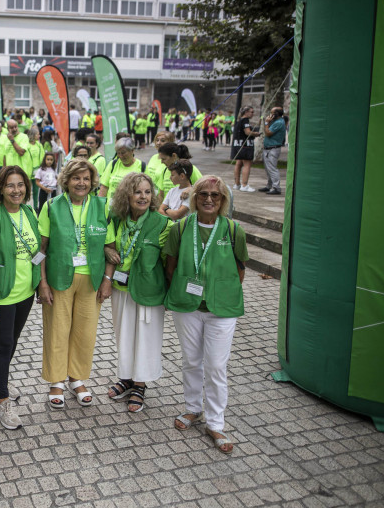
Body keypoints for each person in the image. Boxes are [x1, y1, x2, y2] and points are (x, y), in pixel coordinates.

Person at [164, 175, 249, 455]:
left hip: (221, 308)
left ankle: (215, 423)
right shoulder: (181, 227)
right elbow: (171, 265)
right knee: (191, 360)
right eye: (203, 194)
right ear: (194, 198)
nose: (209, 199)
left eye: (215, 195)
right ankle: (192, 409)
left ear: (223, 200)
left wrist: (220, 291)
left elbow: (240, 269)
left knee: (215, 367)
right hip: (187, 305)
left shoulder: (233, 230)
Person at [37, 160, 116, 409]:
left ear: (92, 182)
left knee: (85, 333)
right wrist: (42, 283)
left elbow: (112, 248)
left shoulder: (102, 207)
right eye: (75, 178)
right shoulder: (51, 206)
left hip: (91, 280)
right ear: (66, 181)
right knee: (57, 330)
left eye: (86, 178)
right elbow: (40, 250)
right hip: (59, 279)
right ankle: (56, 381)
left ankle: (77, 379)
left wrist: (107, 280)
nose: (81, 183)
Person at [0, 166, 40, 430]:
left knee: (11, 342)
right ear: (0, 189)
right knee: (2, 345)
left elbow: (38, 252)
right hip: (2, 295)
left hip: (25, 292)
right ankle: (2, 402)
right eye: (11, 185)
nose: (17, 190)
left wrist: (40, 284)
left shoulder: (29, 212)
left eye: (21, 185)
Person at [106, 172, 173, 413]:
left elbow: (169, 262)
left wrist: (170, 295)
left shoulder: (163, 223)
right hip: (121, 288)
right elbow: (106, 242)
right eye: (137, 192)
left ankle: (140, 384)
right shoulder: (117, 218)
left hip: (149, 291)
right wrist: (106, 250)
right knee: (123, 335)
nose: (143, 197)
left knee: (145, 338)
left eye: (147, 192)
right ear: (127, 195)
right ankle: (126, 378)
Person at [231, 107, 259, 192]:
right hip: (245, 146)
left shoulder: (239, 121)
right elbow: (247, 132)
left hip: (238, 145)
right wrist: (255, 134)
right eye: (252, 112)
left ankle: (237, 184)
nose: (253, 114)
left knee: (238, 163)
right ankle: (244, 185)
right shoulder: (245, 120)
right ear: (246, 112)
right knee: (247, 164)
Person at [260, 107, 286, 195]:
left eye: (272, 113)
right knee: (268, 168)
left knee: (272, 168)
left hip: (273, 148)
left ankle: (276, 187)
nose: (270, 115)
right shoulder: (275, 121)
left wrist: (266, 123)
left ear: (277, 114)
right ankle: (269, 185)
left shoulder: (279, 122)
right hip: (268, 148)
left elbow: (268, 133)